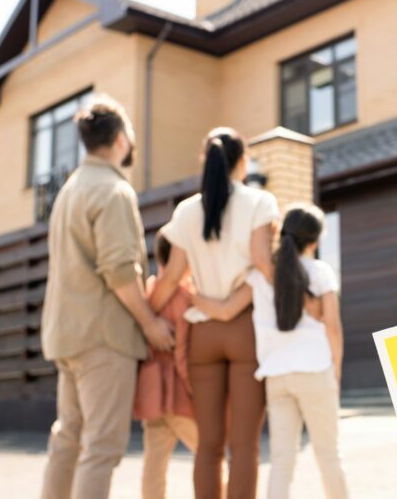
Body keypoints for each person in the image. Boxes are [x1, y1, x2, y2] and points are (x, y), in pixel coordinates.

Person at [40, 96, 175, 499]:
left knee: (67, 439)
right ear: (119, 140)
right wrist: (151, 325)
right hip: (103, 338)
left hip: (65, 335)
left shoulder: (68, 191)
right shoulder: (114, 191)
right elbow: (119, 271)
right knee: (101, 448)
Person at [150, 127, 277, 499]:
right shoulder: (259, 202)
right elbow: (261, 262)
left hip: (202, 334)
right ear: (243, 160)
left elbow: (173, 277)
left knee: (208, 445)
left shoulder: (187, 211)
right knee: (245, 446)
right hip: (245, 331)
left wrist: (145, 318)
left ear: (206, 161)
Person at [196, 204, 348, 499]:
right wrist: (337, 369)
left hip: (276, 376)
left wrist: (192, 296)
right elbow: (333, 327)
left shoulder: (260, 277)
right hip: (316, 369)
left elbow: (227, 310)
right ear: (314, 241)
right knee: (328, 454)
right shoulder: (321, 272)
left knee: (281, 462)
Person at [135, 231, 198, 499]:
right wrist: (195, 390)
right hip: (179, 393)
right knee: (209, 454)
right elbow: (182, 352)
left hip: (151, 392)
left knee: (154, 464)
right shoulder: (184, 296)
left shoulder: (148, 291)